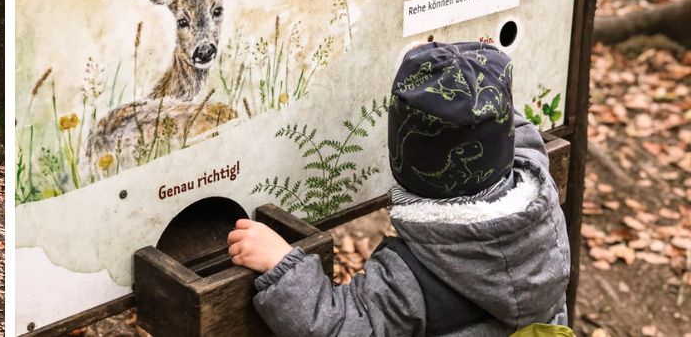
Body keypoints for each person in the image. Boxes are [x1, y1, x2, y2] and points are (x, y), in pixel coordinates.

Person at [228, 41, 572, 336]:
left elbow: (340, 326)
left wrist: (283, 265)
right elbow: (511, 127)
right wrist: (463, 78)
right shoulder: (539, 197)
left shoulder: (413, 278)